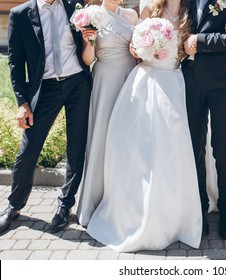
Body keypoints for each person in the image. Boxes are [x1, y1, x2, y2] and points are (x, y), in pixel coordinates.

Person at [85, 0, 202, 252]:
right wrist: (142, 50)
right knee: (139, 143)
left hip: (173, 79)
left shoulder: (189, 11)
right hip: (146, 79)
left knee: (173, 141)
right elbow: (134, 45)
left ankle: (172, 212)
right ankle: (135, 207)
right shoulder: (150, 10)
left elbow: (191, 45)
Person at [0, 0, 92, 235]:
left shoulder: (75, 6)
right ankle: (14, 204)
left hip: (78, 85)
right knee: (28, 149)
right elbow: (15, 62)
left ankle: (65, 205)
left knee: (76, 148)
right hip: (45, 89)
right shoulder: (20, 14)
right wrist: (22, 103)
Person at [182, 0, 226, 240]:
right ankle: (199, 208)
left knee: (221, 148)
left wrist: (200, 42)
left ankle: (225, 211)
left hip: (225, 82)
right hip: (190, 81)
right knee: (193, 147)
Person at [76, 0, 138, 227]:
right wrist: (89, 42)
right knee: (103, 135)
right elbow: (87, 60)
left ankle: (127, 199)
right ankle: (97, 198)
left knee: (127, 138)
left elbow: (139, 48)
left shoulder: (131, 15)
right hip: (105, 78)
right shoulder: (91, 15)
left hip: (131, 76)